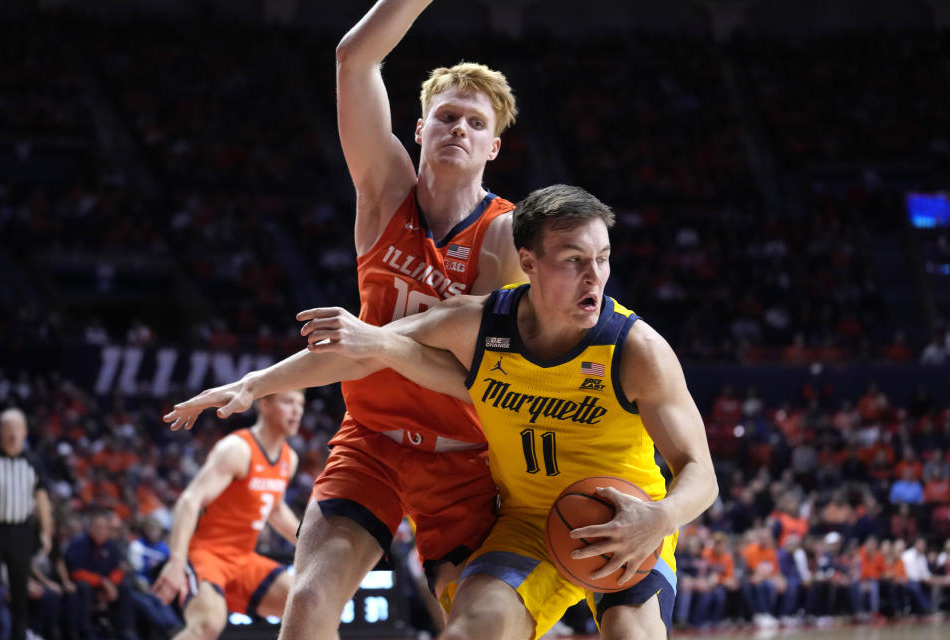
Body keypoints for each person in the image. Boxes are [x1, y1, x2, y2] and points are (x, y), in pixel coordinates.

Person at [171, 184, 718, 638]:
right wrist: (254, 384)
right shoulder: (477, 323)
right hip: (526, 523)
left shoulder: (636, 349)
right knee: (468, 631)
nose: (594, 277)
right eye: (574, 261)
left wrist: (661, 517)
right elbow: (363, 348)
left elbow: (700, 472)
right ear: (527, 263)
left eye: (601, 259)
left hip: (625, 519)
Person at [166, 1, 524, 638]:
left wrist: (380, 344)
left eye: (474, 122)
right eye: (445, 116)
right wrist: (255, 384)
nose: (458, 129)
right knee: (305, 606)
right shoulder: (385, 190)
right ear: (418, 129)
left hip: (466, 456)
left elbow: (482, 382)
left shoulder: (505, 238)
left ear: (493, 146)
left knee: (479, 626)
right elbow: (354, 59)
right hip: (373, 441)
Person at [151, 390, 304, 639]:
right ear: (264, 406)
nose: (297, 410)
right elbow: (190, 500)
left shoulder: (289, 458)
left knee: (311, 606)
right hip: (205, 554)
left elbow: (275, 509)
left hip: (244, 558)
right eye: (288, 402)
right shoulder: (238, 448)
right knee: (208, 624)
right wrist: (176, 561)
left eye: (300, 404)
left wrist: (311, 545)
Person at [0, 408, 54, 640]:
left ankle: (19, 635)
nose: (13, 434)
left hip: (22, 530)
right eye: (8, 429)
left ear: (25, 431)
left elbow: (43, 501)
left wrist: (46, 532)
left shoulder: (34, 463)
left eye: (17, 428)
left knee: (20, 589)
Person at [64, 510, 138, 640]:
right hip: (85, 586)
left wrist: (110, 584)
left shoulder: (110, 545)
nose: (101, 531)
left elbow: (117, 570)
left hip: (104, 586)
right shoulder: (79, 543)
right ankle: (86, 632)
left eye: (105, 528)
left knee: (125, 587)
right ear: (90, 528)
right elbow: (76, 572)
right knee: (83, 587)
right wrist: (103, 582)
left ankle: (126, 631)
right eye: (97, 527)